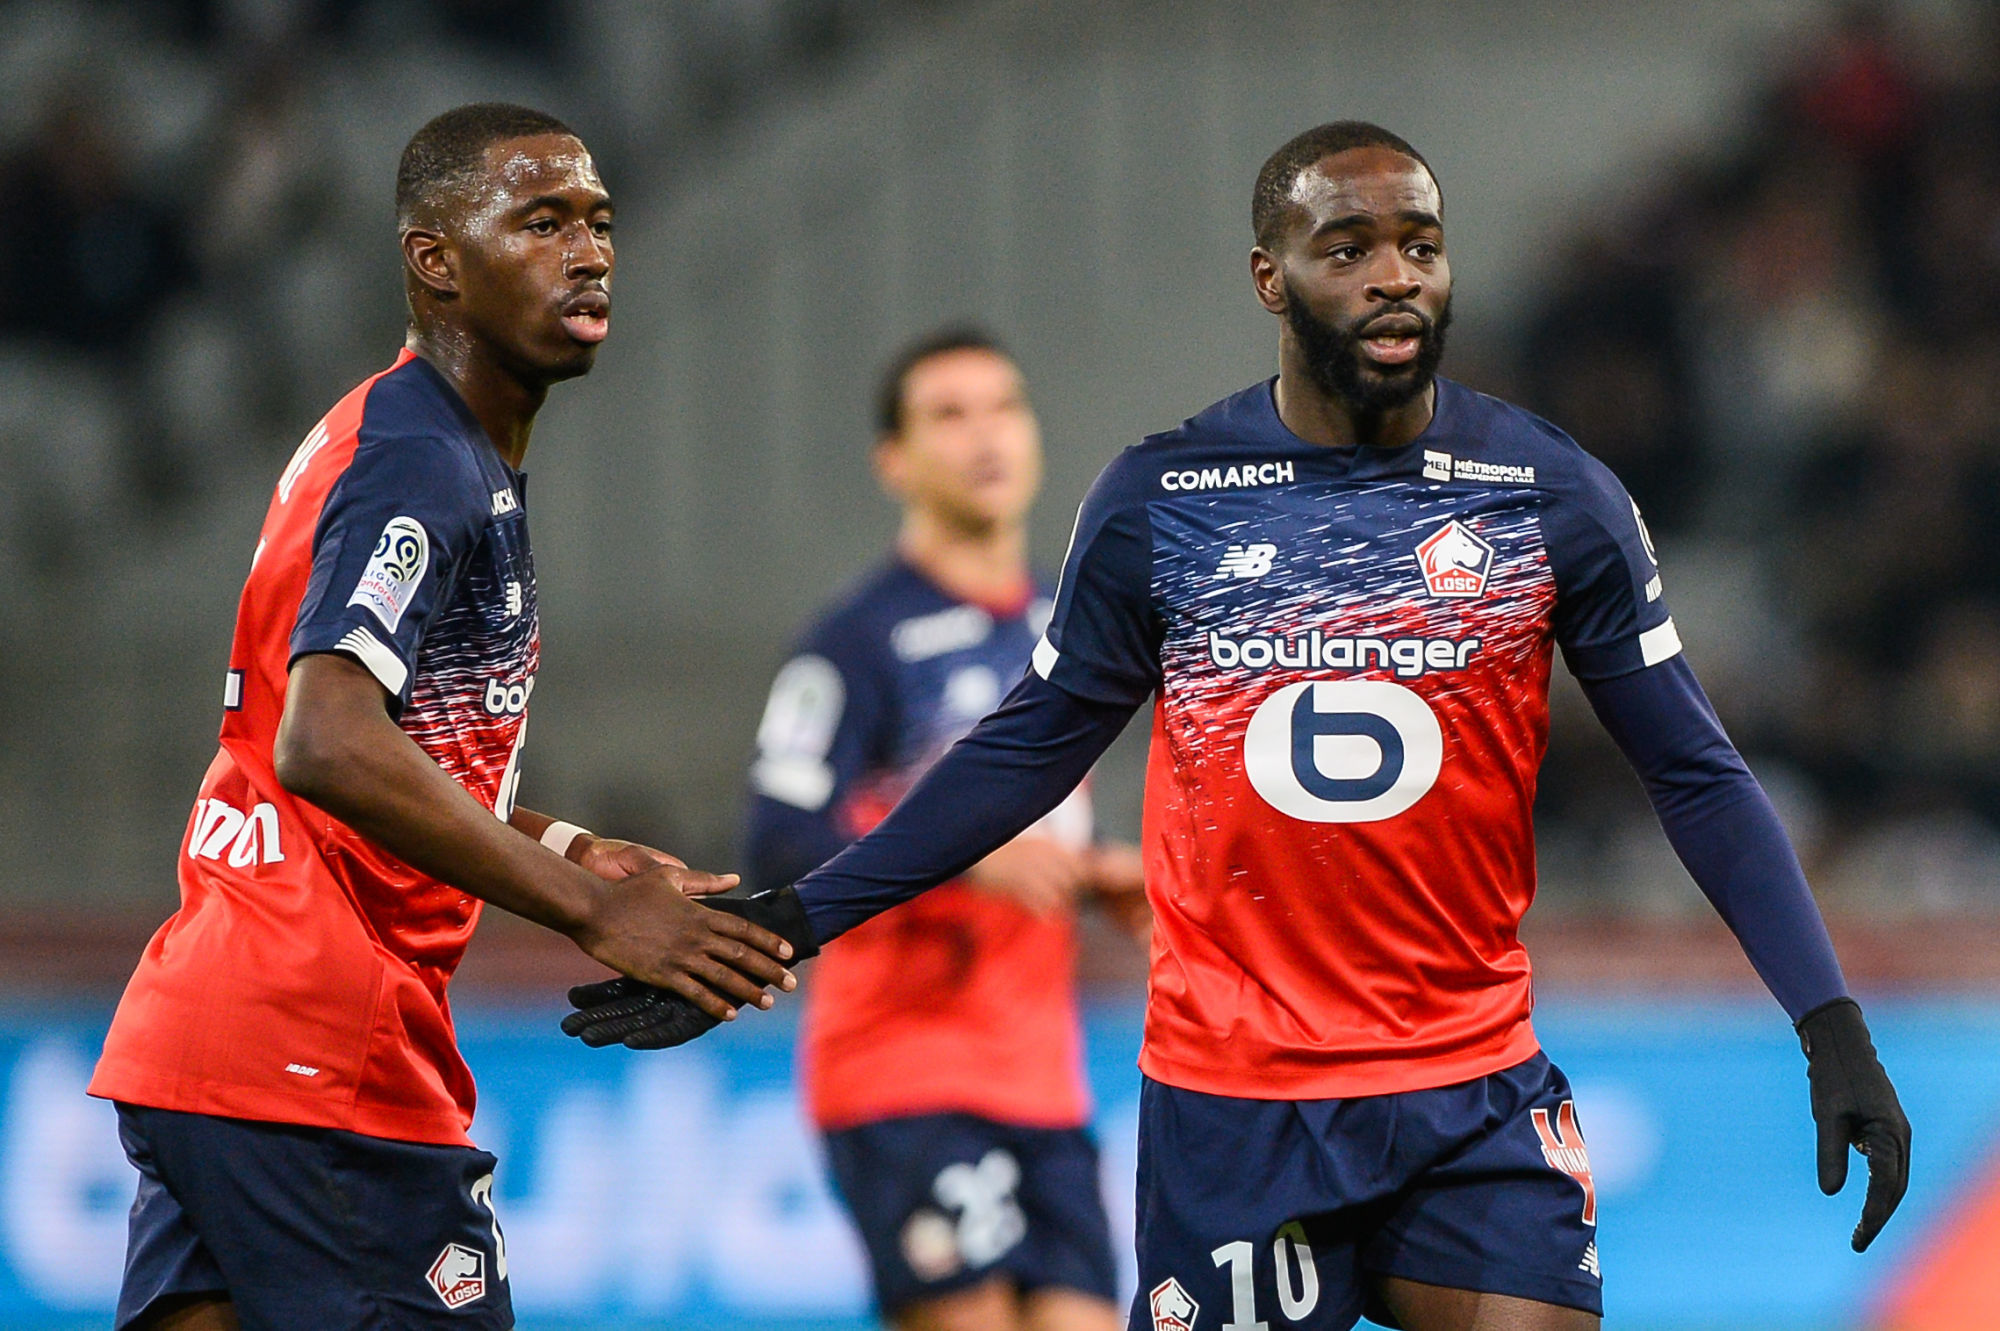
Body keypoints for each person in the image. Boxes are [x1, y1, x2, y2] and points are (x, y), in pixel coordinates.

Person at [564, 122, 1911, 1331]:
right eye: (1350, 246)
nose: (1396, 275)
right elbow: (1029, 745)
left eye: (1422, 245)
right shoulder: (1169, 498)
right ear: (1271, 278)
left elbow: (1696, 767)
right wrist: (793, 916)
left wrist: (1829, 1020)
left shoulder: (1548, 494)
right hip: (1237, 1105)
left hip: (1472, 1083)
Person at [88, 103, 799, 1331]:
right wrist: (590, 910)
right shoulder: (419, 458)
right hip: (319, 1048)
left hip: (213, 1035)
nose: (589, 250)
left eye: (598, 221)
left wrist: (571, 845)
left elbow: (381, 746)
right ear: (436, 262)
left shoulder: (415, 441)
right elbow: (326, 739)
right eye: (539, 222)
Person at [745, 330, 1143, 1331]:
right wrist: (972, 864)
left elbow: (1030, 829)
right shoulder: (854, 643)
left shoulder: (1063, 628)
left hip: (1041, 1076)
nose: (984, 436)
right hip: (903, 1067)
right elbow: (780, 842)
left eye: (1002, 406)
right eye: (947, 414)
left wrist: (1089, 872)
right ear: (893, 459)